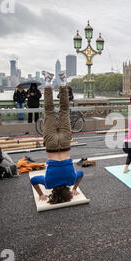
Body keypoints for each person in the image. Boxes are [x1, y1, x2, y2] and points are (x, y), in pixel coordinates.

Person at [30, 72, 84, 204]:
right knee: (48, 110)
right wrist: (41, 194)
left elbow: (81, 173)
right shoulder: (48, 183)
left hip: (65, 143)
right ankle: (48, 81)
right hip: (51, 146)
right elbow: (33, 181)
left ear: (68, 193)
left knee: (64, 110)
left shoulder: (71, 180)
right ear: (53, 194)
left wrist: (75, 188)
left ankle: (63, 81)